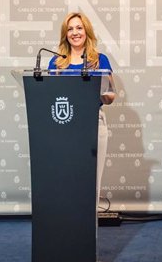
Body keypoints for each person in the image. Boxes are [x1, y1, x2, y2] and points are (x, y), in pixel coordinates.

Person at [48, 12, 116, 205]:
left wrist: (97, 90)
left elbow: (110, 96)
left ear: (87, 32)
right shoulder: (56, 63)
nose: (75, 32)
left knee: (91, 181)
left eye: (79, 28)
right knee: (67, 179)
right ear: (65, 34)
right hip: (64, 126)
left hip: (93, 124)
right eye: (70, 29)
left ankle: (88, 230)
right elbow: (49, 97)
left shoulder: (99, 60)